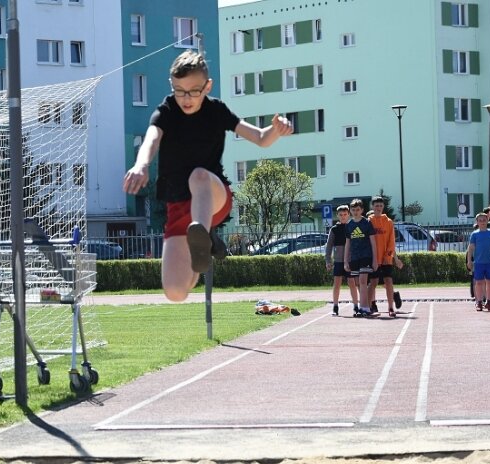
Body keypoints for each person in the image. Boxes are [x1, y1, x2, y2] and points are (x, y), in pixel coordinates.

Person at [123, 50, 293, 302]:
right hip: (180, 208)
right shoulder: (167, 110)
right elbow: (152, 138)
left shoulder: (217, 110)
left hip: (213, 197)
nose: (186, 98)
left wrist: (277, 129)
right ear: (172, 86)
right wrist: (141, 164)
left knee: (199, 176)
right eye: (179, 90)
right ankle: (202, 245)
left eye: (194, 90)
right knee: (175, 291)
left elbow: (259, 138)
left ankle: (202, 232)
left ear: (208, 86)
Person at [343, 199, 377, 317]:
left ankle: (364, 308)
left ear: (362, 210)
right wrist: (346, 261)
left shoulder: (367, 223)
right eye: (353, 210)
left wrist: (375, 260)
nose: (356, 212)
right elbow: (347, 244)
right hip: (355, 257)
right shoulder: (349, 225)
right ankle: (365, 306)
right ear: (350, 211)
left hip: (366, 256)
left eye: (358, 210)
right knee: (357, 282)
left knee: (363, 281)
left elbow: (373, 242)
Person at [324, 205, 358, 316]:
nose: (343, 217)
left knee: (352, 283)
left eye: (345, 214)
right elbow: (328, 246)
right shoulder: (334, 229)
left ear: (348, 214)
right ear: (337, 215)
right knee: (337, 283)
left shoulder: (353, 227)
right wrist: (328, 260)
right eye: (340, 215)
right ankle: (335, 306)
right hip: (338, 261)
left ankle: (356, 306)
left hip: (350, 260)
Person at [367, 196, 398, 317]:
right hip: (374, 258)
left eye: (380, 206)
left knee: (388, 281)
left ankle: (391, 307)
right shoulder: (368, 221)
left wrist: (388, 255)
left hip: (386, 259)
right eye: (376, 206)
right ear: (372, 207)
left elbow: (392, 241)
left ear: (383, 207)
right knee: (373, 282)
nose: (378, 208)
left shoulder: (389, 222)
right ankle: (369, 306)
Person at [466, 213, 490, 311]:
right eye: (480, 220)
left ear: (487, 220)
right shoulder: (474, 234)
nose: (482, 222)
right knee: (479, 283)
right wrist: (469, 261)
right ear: (477, 222)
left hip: (489, 262)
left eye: (484, 220)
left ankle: (489, 302)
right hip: (478, 263)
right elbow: (471, 248)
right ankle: (479, 302)